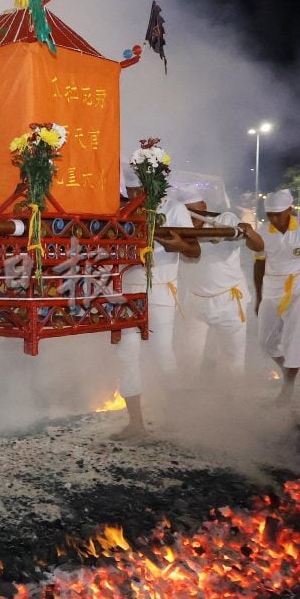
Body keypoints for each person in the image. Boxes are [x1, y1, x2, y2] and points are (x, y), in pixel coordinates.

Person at [111, 178, 201, 440]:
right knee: (126, 355)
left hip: (161, 289)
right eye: (130, 192)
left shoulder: (174, 209)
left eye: (139, 191)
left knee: (163, 354)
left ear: (151, 187)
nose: (134, 196)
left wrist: (179, 245)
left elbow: (193, 251)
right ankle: (136, 423)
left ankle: (175, 416)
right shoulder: (121, 210)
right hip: (126, 290)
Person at [171, 185, 261, 391]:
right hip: (193, 302)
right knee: (188, 357)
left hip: (229, 302)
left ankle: (231, 404)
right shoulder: (176, 227)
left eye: (194, 213)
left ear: (204, 206)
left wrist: (249, 232)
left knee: (233, 358)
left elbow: (258, 246)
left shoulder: (226, 220)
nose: (189, 219)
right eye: (184, 213)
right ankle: (189, 403)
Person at [253, 189, 300, 403]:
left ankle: (289, 385)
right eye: (269, 214)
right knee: (265, 341)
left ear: (289, 210)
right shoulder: (263, 231)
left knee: (295, 337)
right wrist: (259, 296)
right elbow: (259, 264)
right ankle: (288, 369)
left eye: (278, 214)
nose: (273, 218)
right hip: (272, 287)